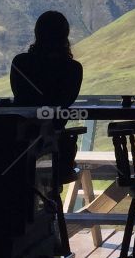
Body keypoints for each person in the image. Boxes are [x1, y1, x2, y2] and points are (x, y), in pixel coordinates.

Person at [10, 10, 83, 184]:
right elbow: (66, 103)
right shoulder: (73, 69)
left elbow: (20, 97)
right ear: (65, 34)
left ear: (37, 33)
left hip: (19, 145)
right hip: (56, 149)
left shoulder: (21, 62)